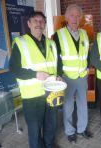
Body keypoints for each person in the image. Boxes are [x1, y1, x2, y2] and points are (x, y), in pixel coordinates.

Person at [9, 11, 60, 148]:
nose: (39, 23)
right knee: (34, 130)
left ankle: (49, 145)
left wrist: (59, 75)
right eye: (35, 20)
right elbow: (14, 69)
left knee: (51, 124)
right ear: (29, 23)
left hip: (50, 92)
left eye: (42, 21)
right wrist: (34, 74)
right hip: (32, 96)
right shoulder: (20, 43)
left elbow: (57, 65)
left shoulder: (51, 43)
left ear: (45, 24)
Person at [53, 4, 92, 143]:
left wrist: (87, 67)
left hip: (82, 76)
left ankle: (82, 129)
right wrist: (58, 74)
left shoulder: (84, 34)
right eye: (71, 15)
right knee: (68, 105)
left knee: (83, 104)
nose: (74, 18)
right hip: (67, 77)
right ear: (66, 17)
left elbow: (87, 53)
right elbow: (56, 57)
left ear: (80, 18)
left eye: (77, 16)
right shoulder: (58, 35)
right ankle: (70, 131)